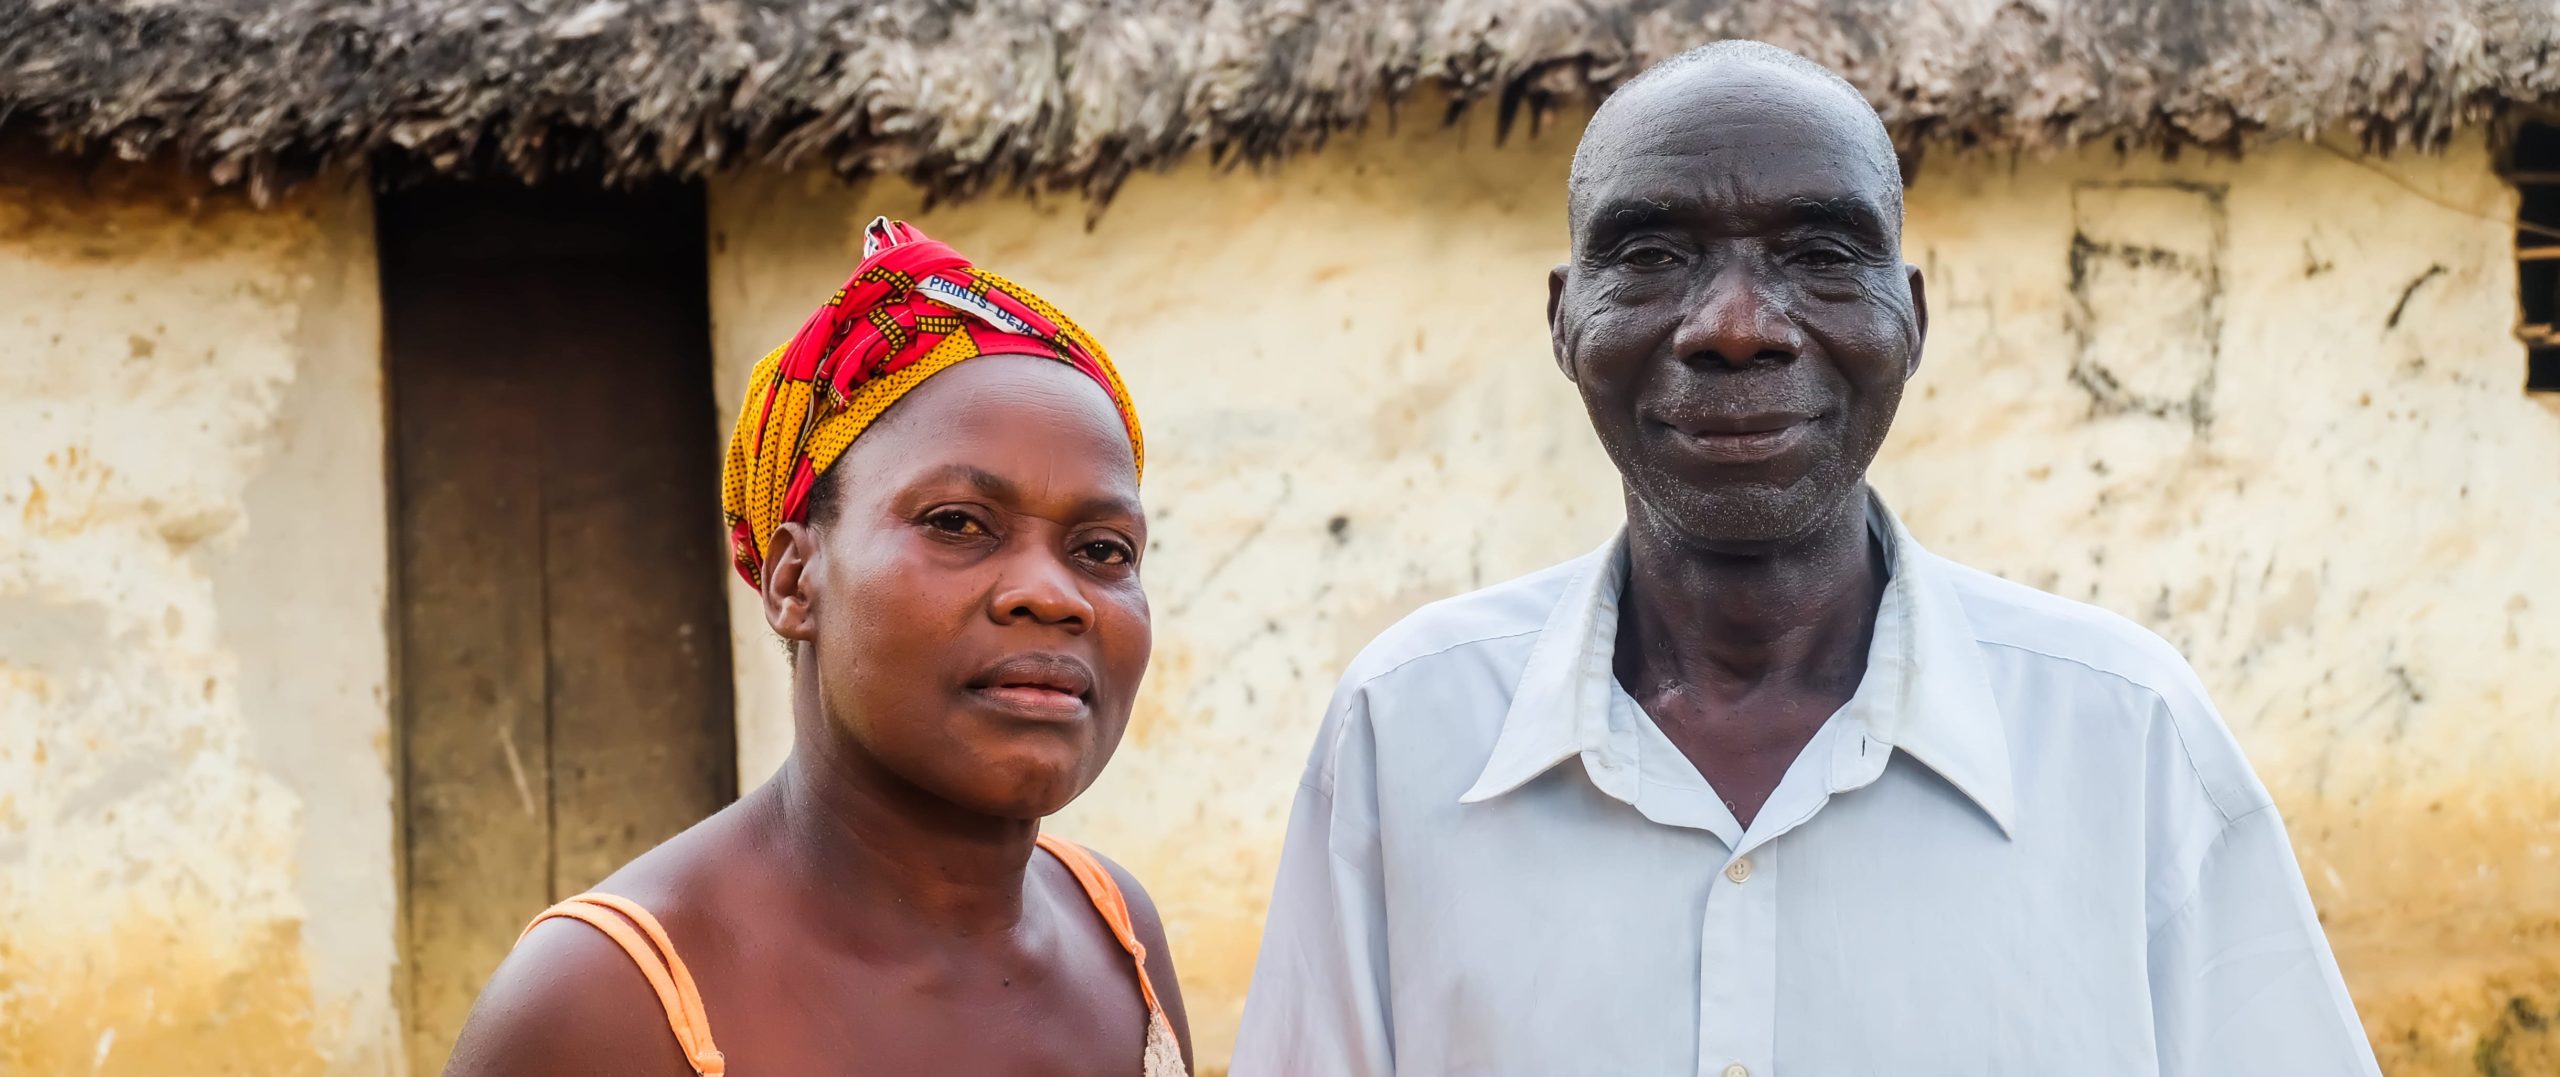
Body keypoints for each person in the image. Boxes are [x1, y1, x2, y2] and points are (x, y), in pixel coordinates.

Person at [1232, 41, 2379, 1077]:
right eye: (1653, 253)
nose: (1736, 324)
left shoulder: (2125, 735)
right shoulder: (1408, 726)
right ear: (1564, 319)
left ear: (1910, 320)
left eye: (1822, 252)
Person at [445, 218, 1190, 1076]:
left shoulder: (1117, 936)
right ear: (795, 580)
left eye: (1103, 550)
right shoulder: (606, 1005)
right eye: (957, 523)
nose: (1052, 594)